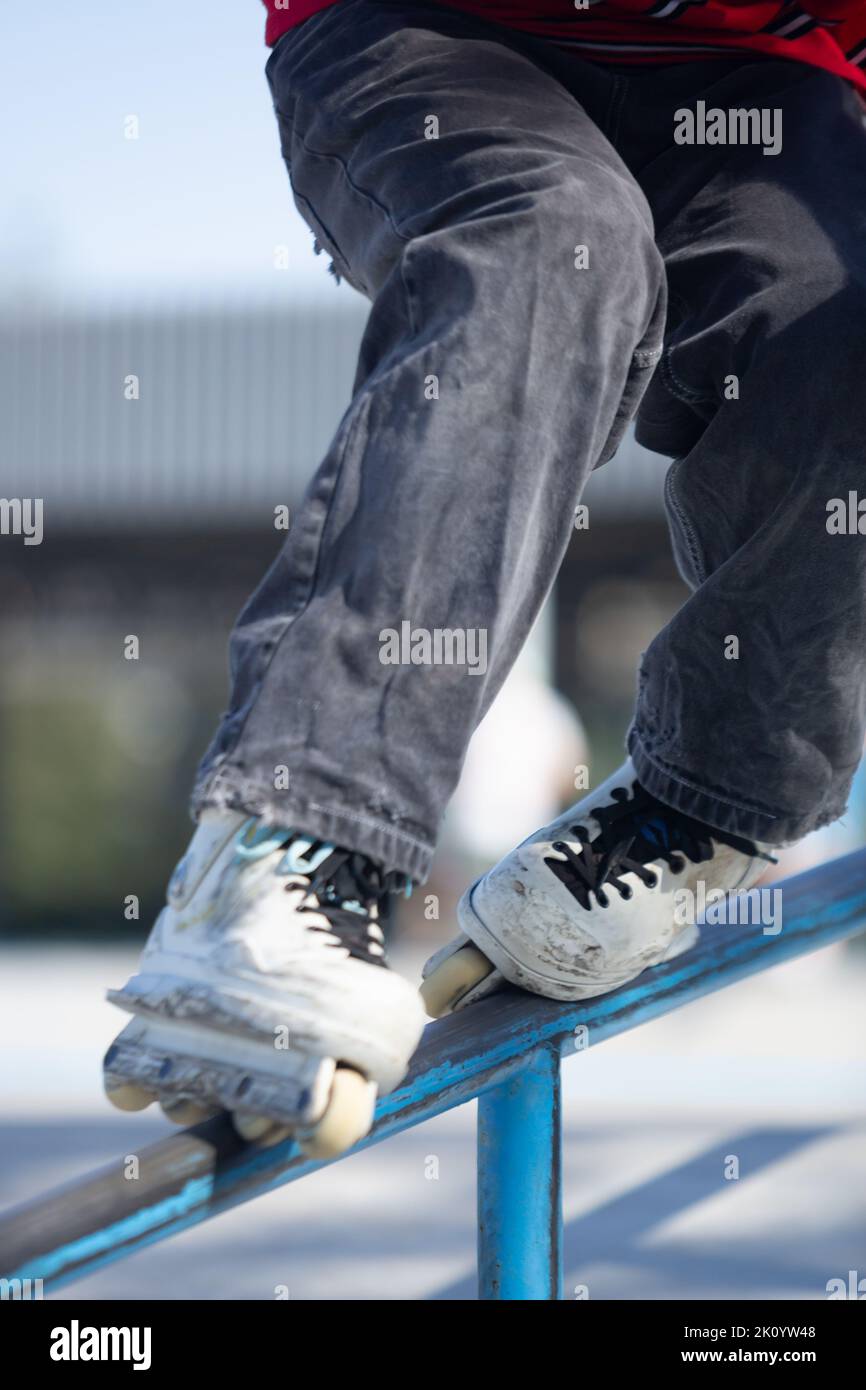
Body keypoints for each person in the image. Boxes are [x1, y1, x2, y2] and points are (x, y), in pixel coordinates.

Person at [102, 0, 866, 1156]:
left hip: (758, 73)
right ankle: (287, 844)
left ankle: (693, 814)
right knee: (551, 237)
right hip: (433, 35)